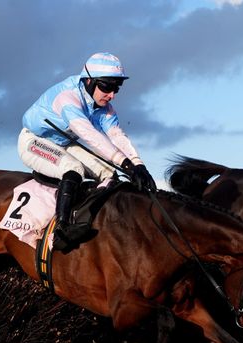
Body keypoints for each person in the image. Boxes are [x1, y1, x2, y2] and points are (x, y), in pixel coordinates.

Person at [19, 52, 155, 252]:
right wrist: (127, 164)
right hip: (33, 141)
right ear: (89, 81)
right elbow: (89, 134)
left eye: (116, 88)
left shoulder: (105, 107)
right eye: (106, 87)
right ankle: (60, 230)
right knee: (73, 168)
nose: (112, 94)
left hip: (64, 143)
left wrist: (139, 165)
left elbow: (117, 136)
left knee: (109, 173)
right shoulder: (67, 97)